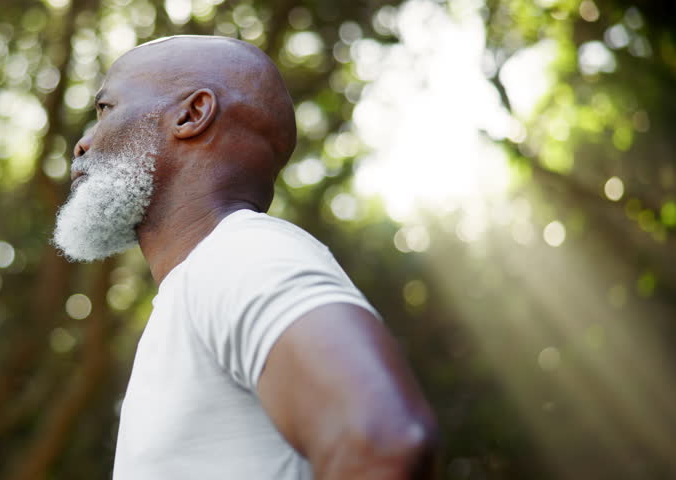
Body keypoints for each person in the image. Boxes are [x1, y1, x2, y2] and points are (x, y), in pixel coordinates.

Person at [53, 35, 438, 480]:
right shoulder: (200, 282)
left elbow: (384, 441)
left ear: (191, 115)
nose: (82, 144)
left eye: (105, 109)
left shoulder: (242, 253)